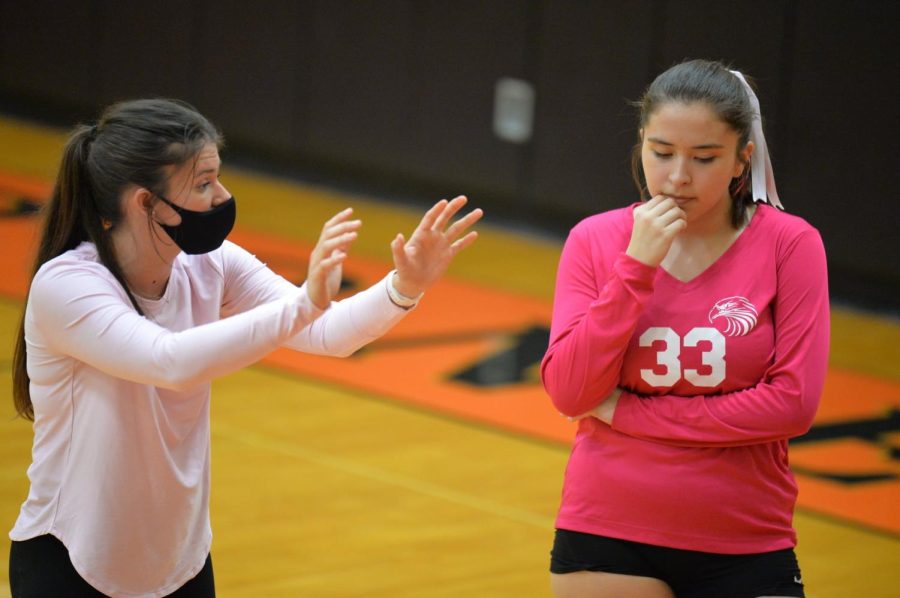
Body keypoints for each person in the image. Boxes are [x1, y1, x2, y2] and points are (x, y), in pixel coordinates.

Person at [7, 98, 482, 597]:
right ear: (145, 202)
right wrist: (303, 304)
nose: (222, 197)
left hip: (180, 564)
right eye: (204, 184)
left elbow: (330, 332)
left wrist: (404, 287)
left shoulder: (211, 264)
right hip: (69, 562)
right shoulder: (68, 285)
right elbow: (166, 361)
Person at [541, 59, 829, 598]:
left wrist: (631, 412)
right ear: (641, 143)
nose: (677, 177)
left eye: (704, 158)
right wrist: (636, 267)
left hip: (746, 537)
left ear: (744, 158)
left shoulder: (791, 245)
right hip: (607, 530)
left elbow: (793, 404)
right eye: (661, 152)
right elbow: (569, 391)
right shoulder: (595, 240)